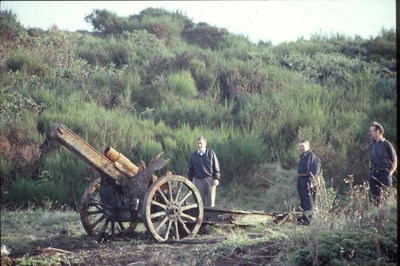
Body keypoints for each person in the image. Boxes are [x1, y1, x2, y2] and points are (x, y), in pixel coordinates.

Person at [368, 121, 397, 205]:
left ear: (377, 132)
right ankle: (378, 216)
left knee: (385, 198)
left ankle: (385, 216)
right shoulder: (373, 145)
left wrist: (390, 173)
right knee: (376, 199)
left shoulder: (386, 144)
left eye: (371, 131)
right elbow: (372, 159)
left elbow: (395, 159)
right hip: (374, 173)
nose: (370, 133)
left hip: (384, 174)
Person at [188, 136, 220, 207]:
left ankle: (211, 216)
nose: (199, 145)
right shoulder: (194, 155)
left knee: (210, 201)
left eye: (201, 143)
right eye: (198, 144)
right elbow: (191, 169)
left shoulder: (211, 153)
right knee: (200, 201)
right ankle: (202, 217)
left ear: (205, 143)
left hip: (210, 179)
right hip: (198, 180)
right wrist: (189, 181)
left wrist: (216, 178)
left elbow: (216, 166)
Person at [297, 139, 321, 223]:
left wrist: (311, 181)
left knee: (309, 200)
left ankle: (308, 220)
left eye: (302, 146)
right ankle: (304, 218)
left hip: (308, 180)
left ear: (308, 146)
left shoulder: (312, 156)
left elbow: (315, 170)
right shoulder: (303, 156)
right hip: (301, 180)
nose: (301, 148)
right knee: (303, 199)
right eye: (300, 146)